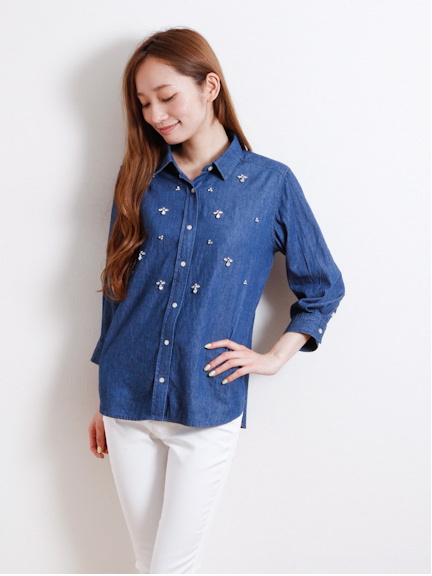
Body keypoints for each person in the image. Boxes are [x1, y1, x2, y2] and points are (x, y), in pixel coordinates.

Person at [88, 27, 344, 574]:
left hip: (207, 400)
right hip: (124, 396)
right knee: (148, 562)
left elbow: (323, 286)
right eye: (144, 103)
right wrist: (102, 395)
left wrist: (274, 357)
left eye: (166, 96)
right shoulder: (137, 178)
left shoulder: (271, 184)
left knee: (170, 567)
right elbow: (117, 286)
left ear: (209, 86)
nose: (156, 114)